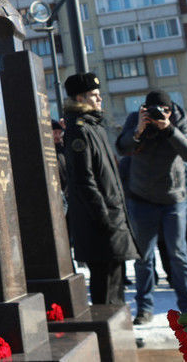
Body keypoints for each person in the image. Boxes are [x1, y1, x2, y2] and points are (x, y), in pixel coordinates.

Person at [116, 90, 187, 323]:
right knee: (144, 257)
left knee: (179, 254)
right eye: (153, 110)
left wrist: (169, 128)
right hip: (141, 200)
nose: (158, 115)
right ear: (144, 108)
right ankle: (144, 308)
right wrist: (138, 131)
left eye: (164, 111)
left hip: (174, 201)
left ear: (170, 110)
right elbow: (121, 148)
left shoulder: (179, 121)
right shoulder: (136, 120)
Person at [61, 73, 137, 307]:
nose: (99, 99)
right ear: (79, 98)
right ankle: (108, 337)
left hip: (111, 216)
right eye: (94, 95)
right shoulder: (79, 130)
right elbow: (84, 180)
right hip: (100, 221)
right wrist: (104, 217)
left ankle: (119, 335)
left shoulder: (95, 127)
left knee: (116, 282)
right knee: (105, 285)